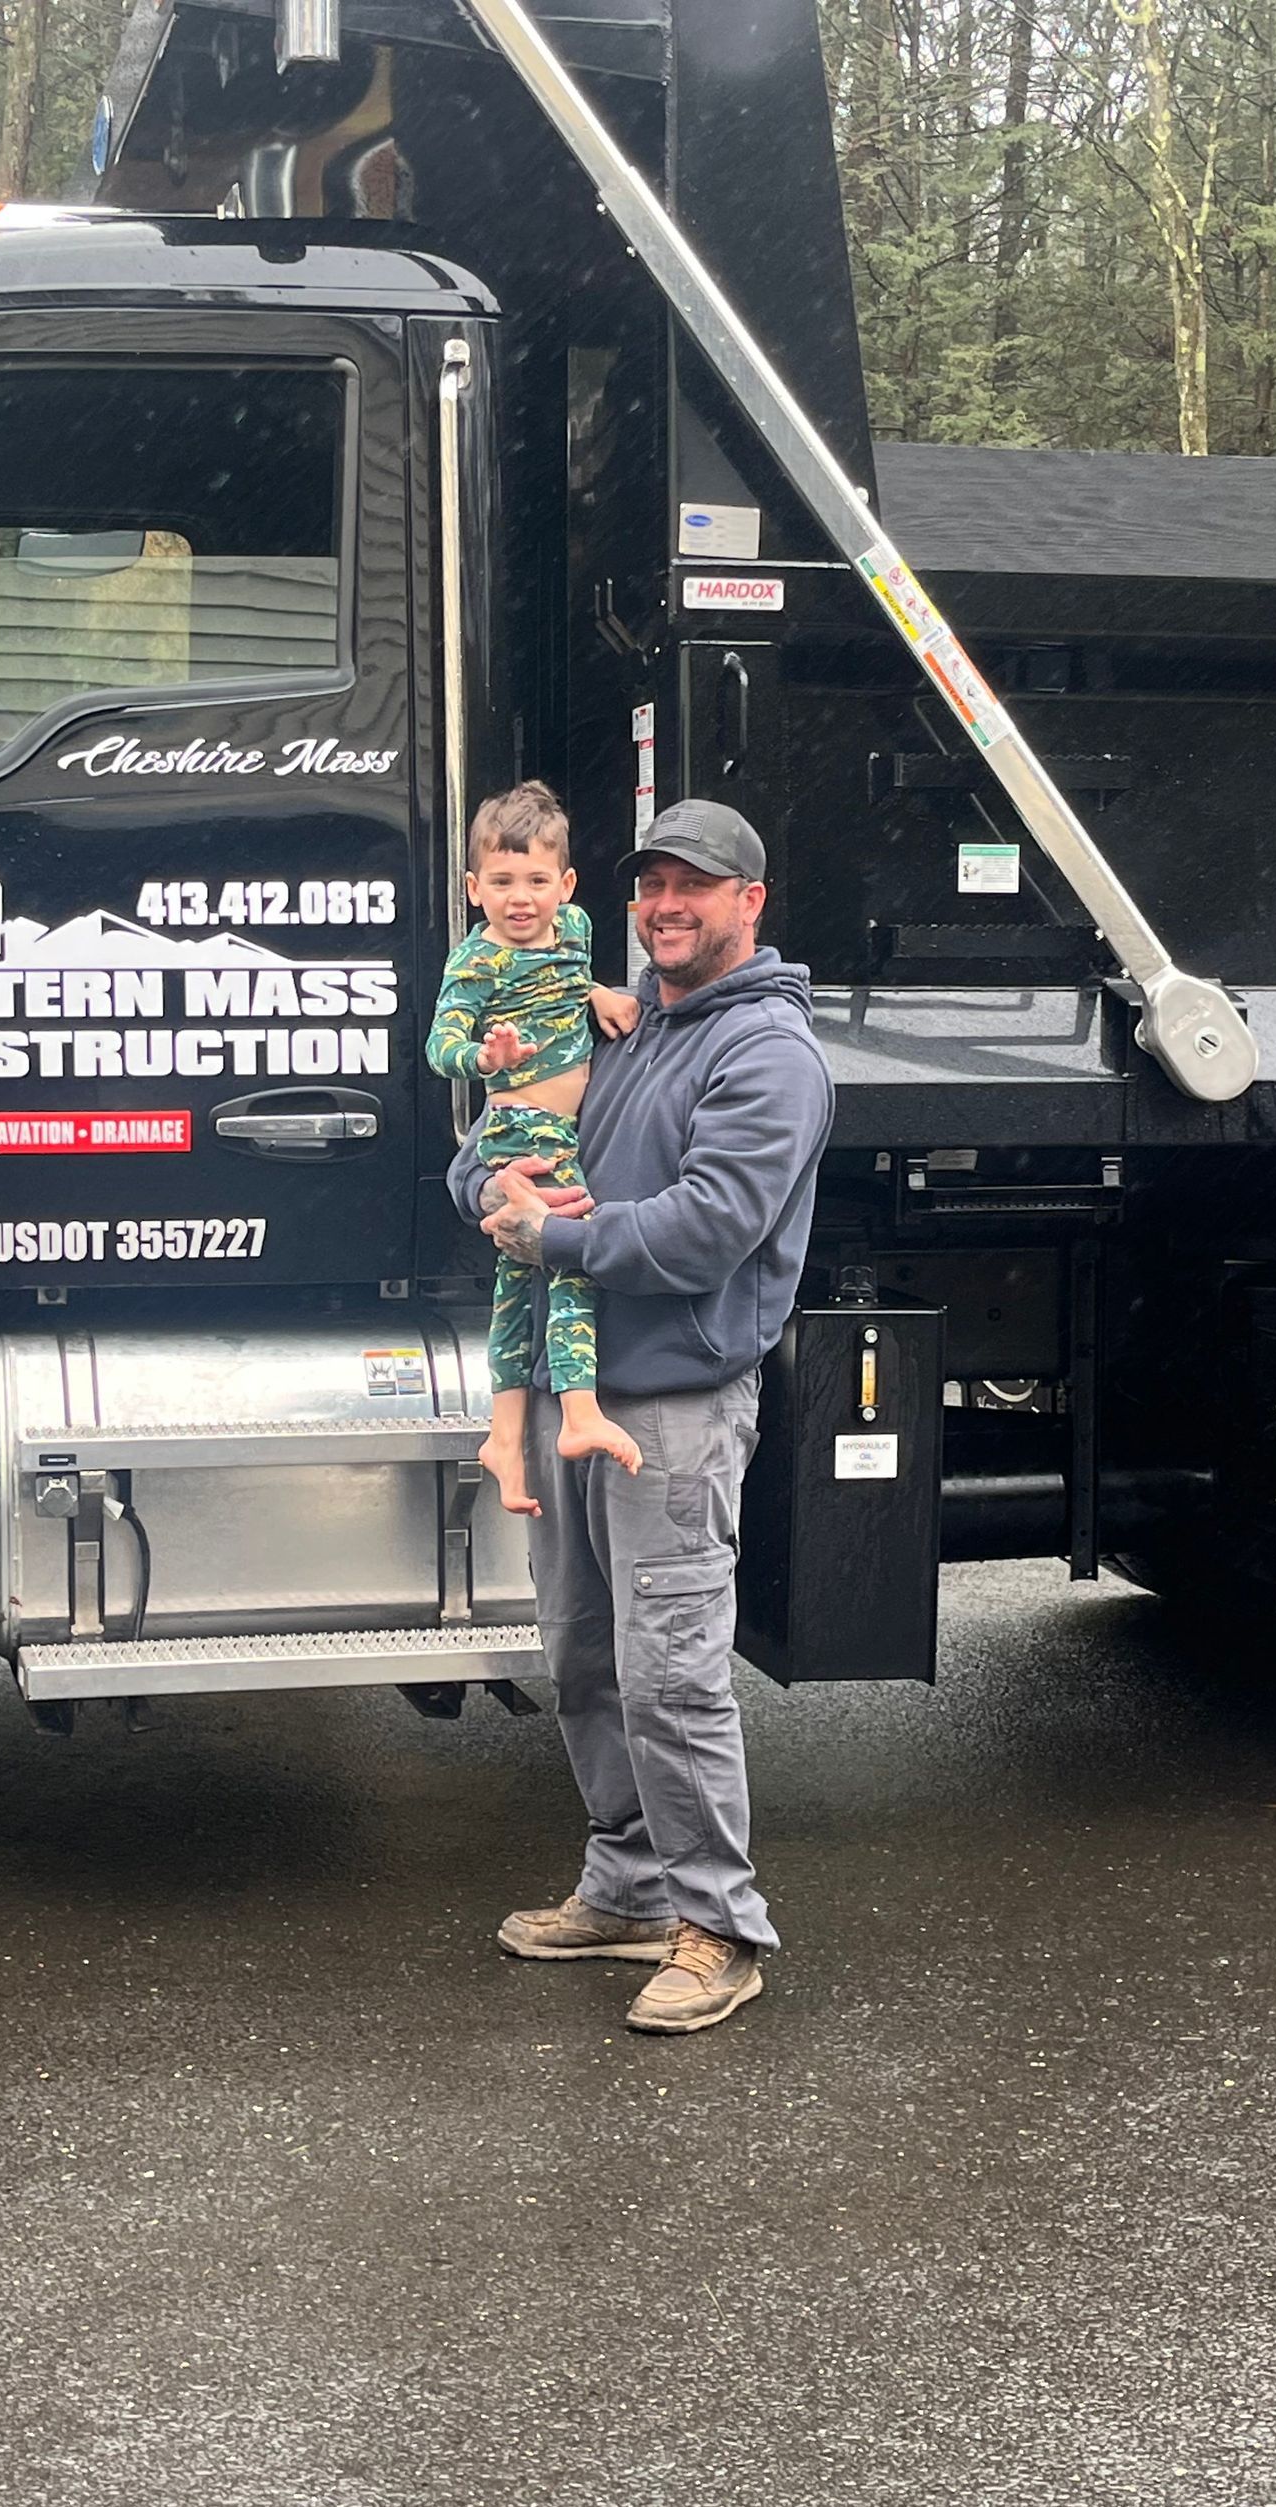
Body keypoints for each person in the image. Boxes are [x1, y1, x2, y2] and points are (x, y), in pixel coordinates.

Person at [450, 798, 833, 2035]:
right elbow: (498, 1146)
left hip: (671, 1404)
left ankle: (720, 1928)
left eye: (696, 886)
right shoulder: (621, 1025)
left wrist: (554, 1230)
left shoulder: (766, 1052)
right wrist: (492, 1185)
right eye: (651, 885)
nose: (667, 906)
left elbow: (712, 1224)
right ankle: (626, 1886)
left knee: (671, 1675)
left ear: (749, 902)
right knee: (583, 1657)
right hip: (577, 1397)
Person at [426, 782, 643, 1512]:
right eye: (502, 882)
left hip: (564, 1128)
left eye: (537, 881)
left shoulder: (575, 929)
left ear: (566, 885)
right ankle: (580, 1412)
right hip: (528, 1130)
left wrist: (601, 995)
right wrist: (486, 1059)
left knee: (518, 1286)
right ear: (472, 887)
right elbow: (441, 1045)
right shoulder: (475, 963)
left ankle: (504, 1438)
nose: (521, 899)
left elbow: (569, 980)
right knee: (571, 1250)